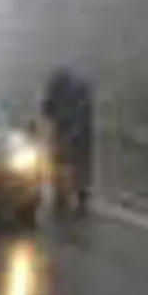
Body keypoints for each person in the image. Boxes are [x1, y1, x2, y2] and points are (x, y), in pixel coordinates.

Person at [39, 66, 95, 216]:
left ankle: (62, 198)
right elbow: (86, 110)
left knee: (61, 163)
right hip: (81, 132)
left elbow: (46, 109)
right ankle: (79, 198)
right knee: (80, 166)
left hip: (65, 130)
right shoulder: (81, 88)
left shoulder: (58, 88)